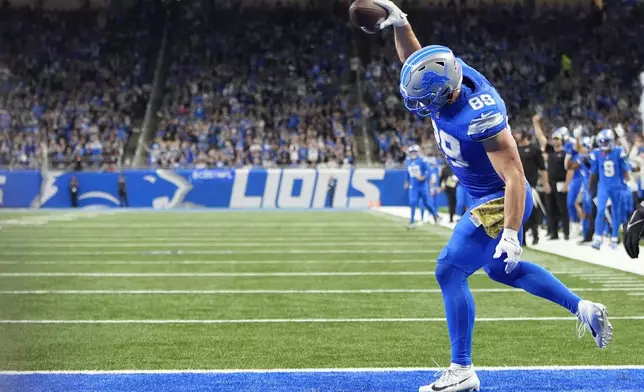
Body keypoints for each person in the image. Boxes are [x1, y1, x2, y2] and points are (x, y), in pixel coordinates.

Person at [371, 2, 612, 391]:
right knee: (502, 271)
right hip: (483, 195)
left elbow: (515, 175)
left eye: (425, 99)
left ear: (447, 94)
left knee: (449, 269)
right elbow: (416, 60)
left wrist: (513, 234)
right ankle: (582, 307)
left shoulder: (479, 114)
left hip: (502, 198)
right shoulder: (446, 75)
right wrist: (401, 22)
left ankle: (462, 369)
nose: (420, 107)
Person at [589, 129, 630, 250]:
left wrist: (627, 182)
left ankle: (614, 237)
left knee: (616, 212)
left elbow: (625, 169)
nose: (604, 144)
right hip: (603, 186)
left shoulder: (618, 151)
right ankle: (597, 237)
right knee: (600, 210)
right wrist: (590, 187)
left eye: (606, 141)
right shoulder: (597, 153)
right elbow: (594, 172)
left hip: (617, 186)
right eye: (601, 141)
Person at [513, 128, 549, 245]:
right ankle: (521, 237)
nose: (516, 135)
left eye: (518, 133)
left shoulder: (535, 150)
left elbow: (542, 168)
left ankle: (535, 234)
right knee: (518, 212)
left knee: (532, 211)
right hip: (517, 185)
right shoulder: (514, 149)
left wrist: (545, 183)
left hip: (531, 186)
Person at [405, 145, 438, 228]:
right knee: (412, 202)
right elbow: (408, 172)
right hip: (413, 186)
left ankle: (435, 215)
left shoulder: (422, 160)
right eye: (412, 152)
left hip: (422, 186)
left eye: (414, 152)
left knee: (426, 203)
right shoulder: (408, 161)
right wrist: (406, 181)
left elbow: (429, 171)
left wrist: (424, 177)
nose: (413, 153)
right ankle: (412, 221)